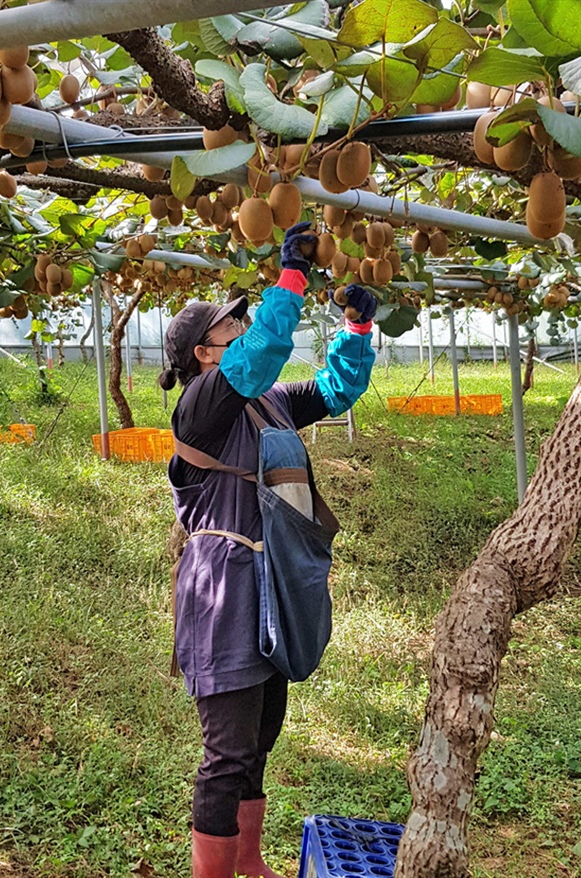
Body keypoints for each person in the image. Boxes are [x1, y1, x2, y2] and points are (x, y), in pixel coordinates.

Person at [158, 222, 377, 878]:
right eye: (231, 325)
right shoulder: (203, 404)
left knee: (258, 744)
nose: (243, 328)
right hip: (224, 595)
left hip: (270, 587)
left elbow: (336, 391)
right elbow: (259, 355)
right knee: (226, 756)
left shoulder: (267, 403)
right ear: (204, 353)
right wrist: (290, 278)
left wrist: (357, 330)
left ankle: (249, 862)